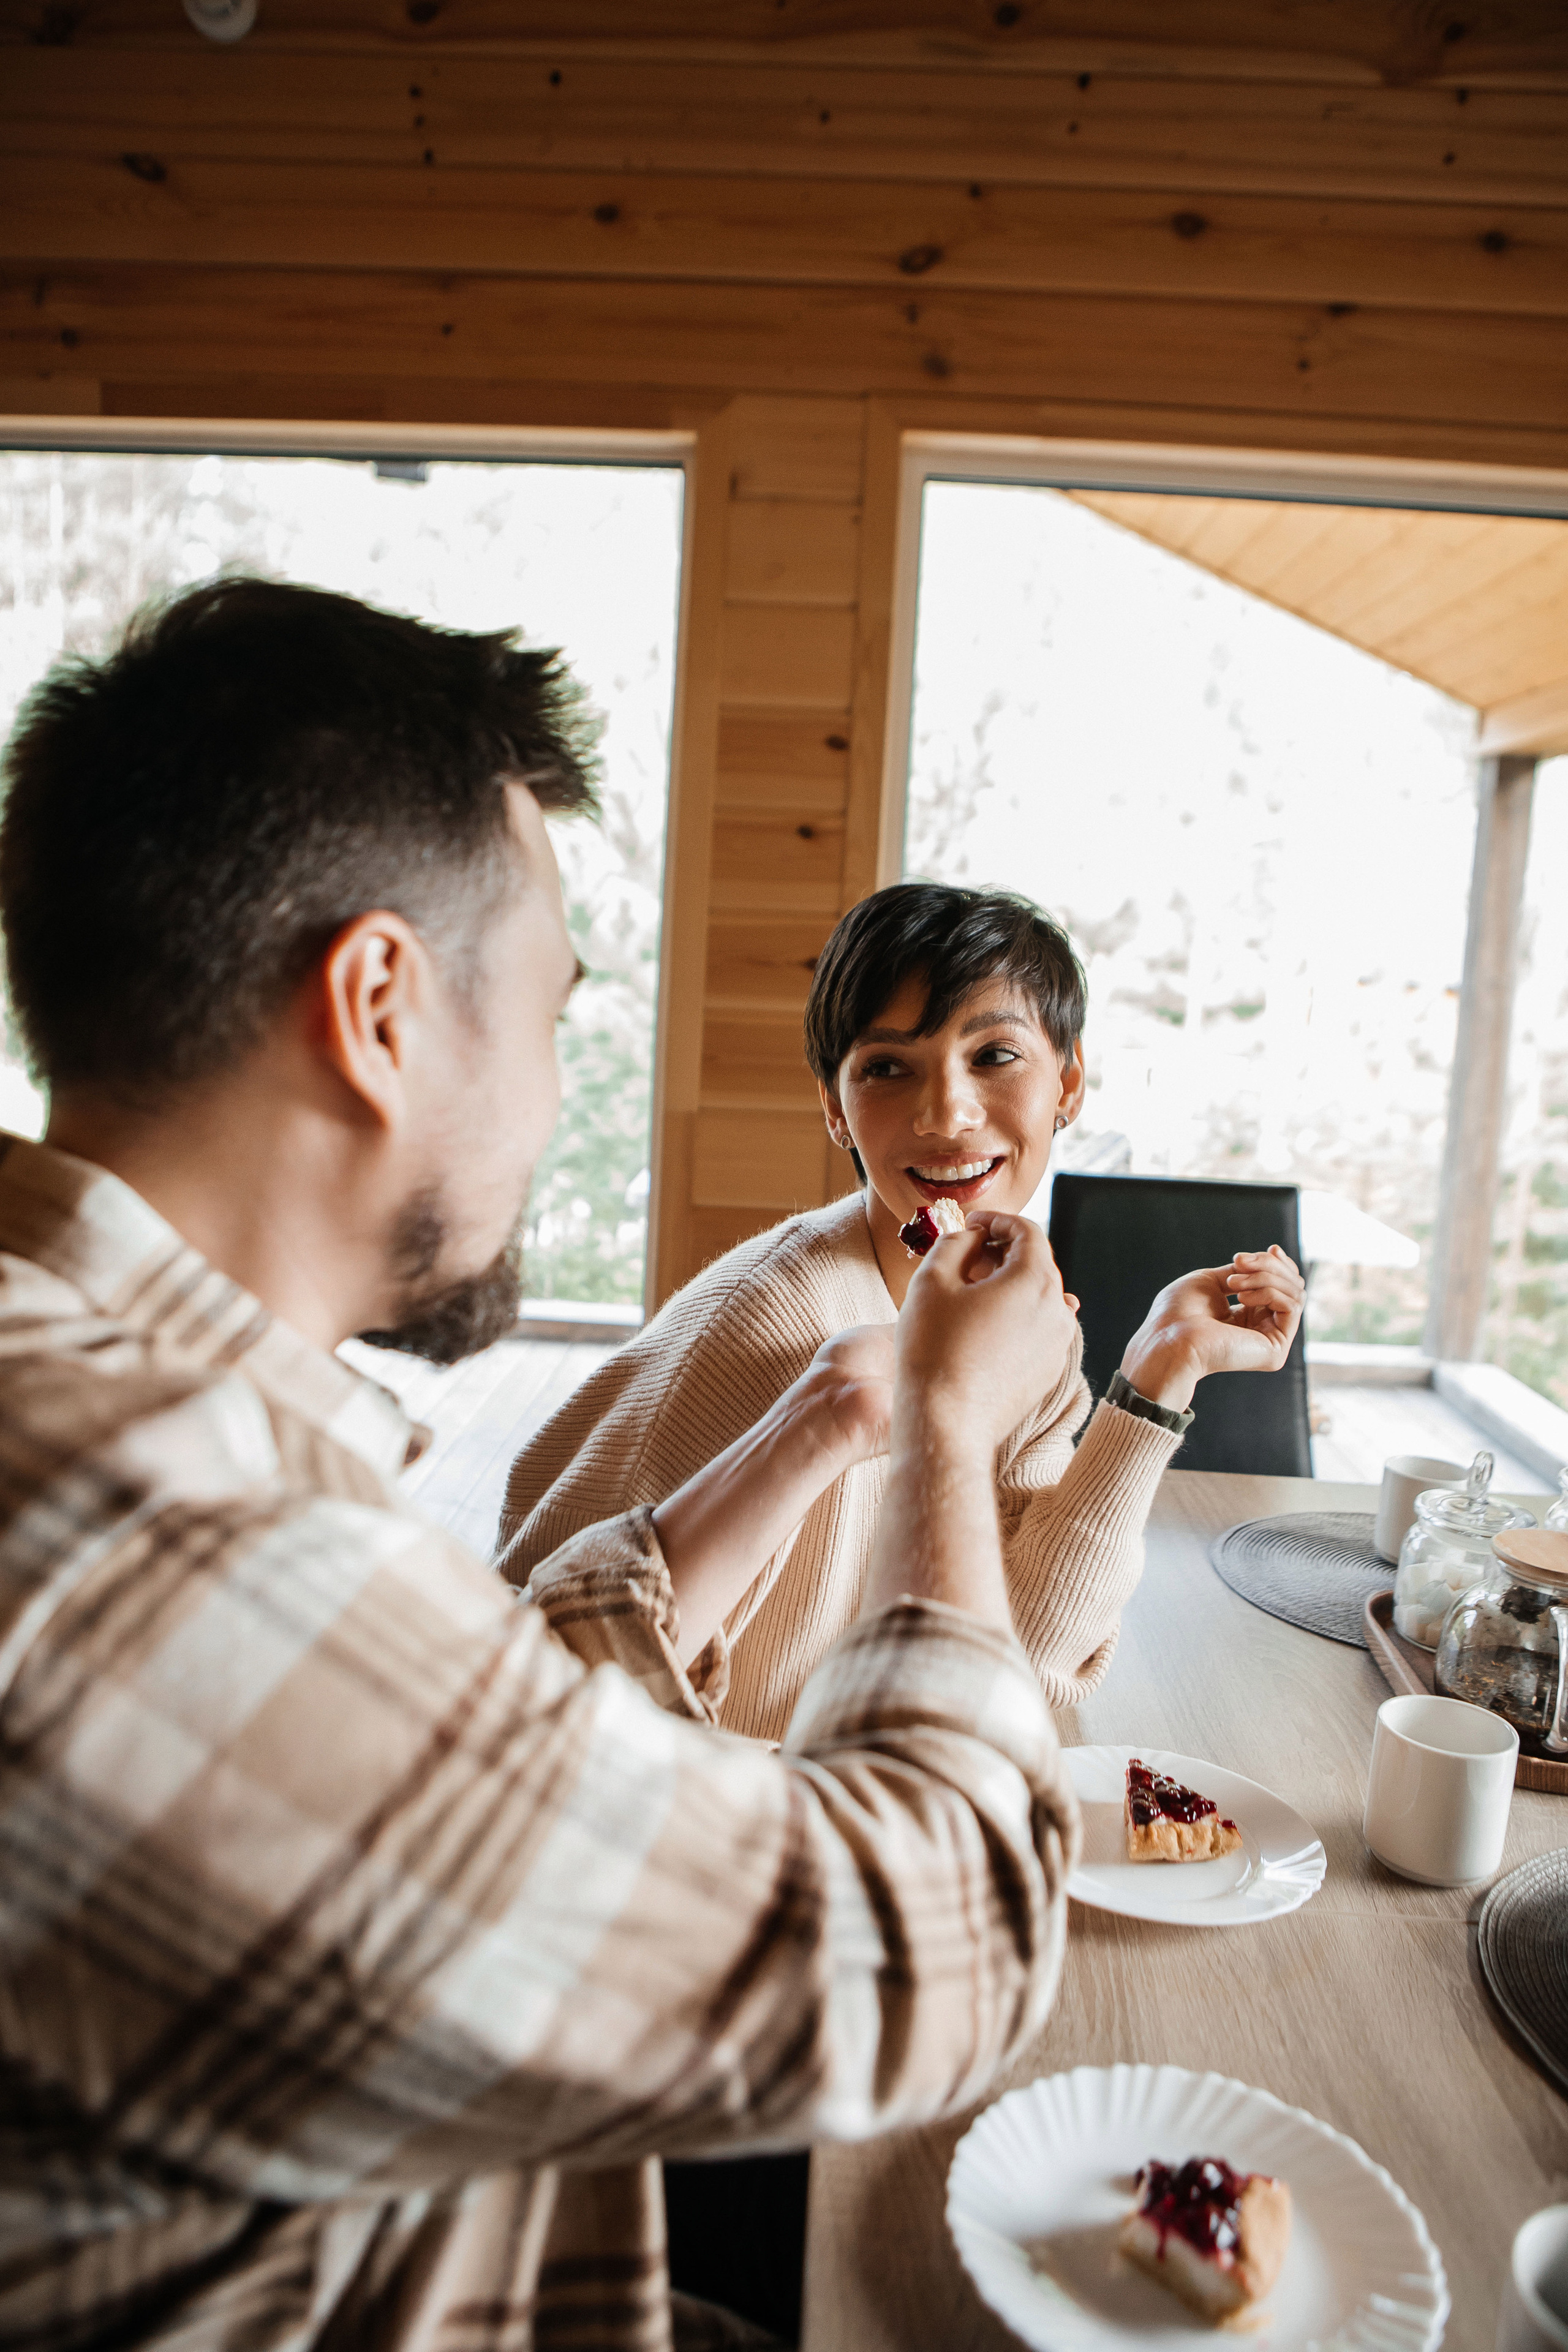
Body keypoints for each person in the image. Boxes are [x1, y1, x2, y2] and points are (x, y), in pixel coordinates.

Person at [0, 580, 1084, 2352]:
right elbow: (934, 1945)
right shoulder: (152, 1557)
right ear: (380, 1007)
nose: (559, 1091)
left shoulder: (105, 1401)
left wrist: (833, 1423)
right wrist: (951, 1439)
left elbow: (435, 1729)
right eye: (556, 1010)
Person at [500, 884, 1305, 1742]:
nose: (946, 1114)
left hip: (867, 1798)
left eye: (995, 1055)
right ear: (833, 1108)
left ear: (1068, 1083)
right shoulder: (775, 1322)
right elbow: (551, 1684)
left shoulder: (1025, 1325)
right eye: (887, 1068)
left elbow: (1018, 1667)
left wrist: (1159, 1372)